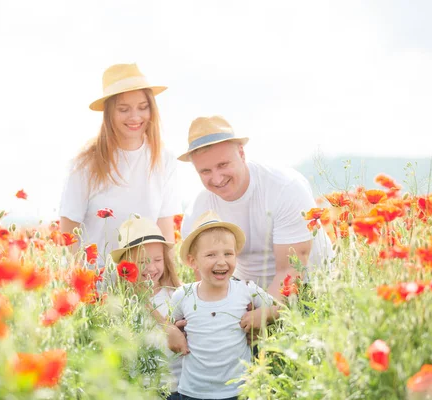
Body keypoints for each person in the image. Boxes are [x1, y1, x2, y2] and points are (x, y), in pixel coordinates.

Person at [178, 116, 334, 302]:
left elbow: (290, 269)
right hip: (246, 290)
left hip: (312, 287)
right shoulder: (197, 211)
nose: (217, 178)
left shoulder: (285, 187)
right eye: (205, 171)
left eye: (223, 165)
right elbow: (206, 283)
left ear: (241, 153)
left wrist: (263, 314)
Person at [59, 63, 180, 263]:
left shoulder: (164, 159)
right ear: (109, 114)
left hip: (145, 280)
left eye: (143, 107)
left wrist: (168, 285)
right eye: (124, 109)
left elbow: (165, 230)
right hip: (97, 281)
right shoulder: (85, 164)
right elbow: (69, 231)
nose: (135, 117)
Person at [166, 211, 279, 400]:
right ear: (193, 261)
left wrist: (265, 314)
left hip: (239, 391)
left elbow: (281, 308)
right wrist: (170, 330)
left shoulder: (246, 289)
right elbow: (170, 325)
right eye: (211, 254)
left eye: (228, 253)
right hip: (193, 392)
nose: (222, 261)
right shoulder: (183, 295)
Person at [110, 216, 183, 399]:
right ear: (127, 265)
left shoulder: (176, 294)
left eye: (157, 259)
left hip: (179, 385)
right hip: (142, 389)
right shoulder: (124, 303)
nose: (151, 267)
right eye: (143, 262)